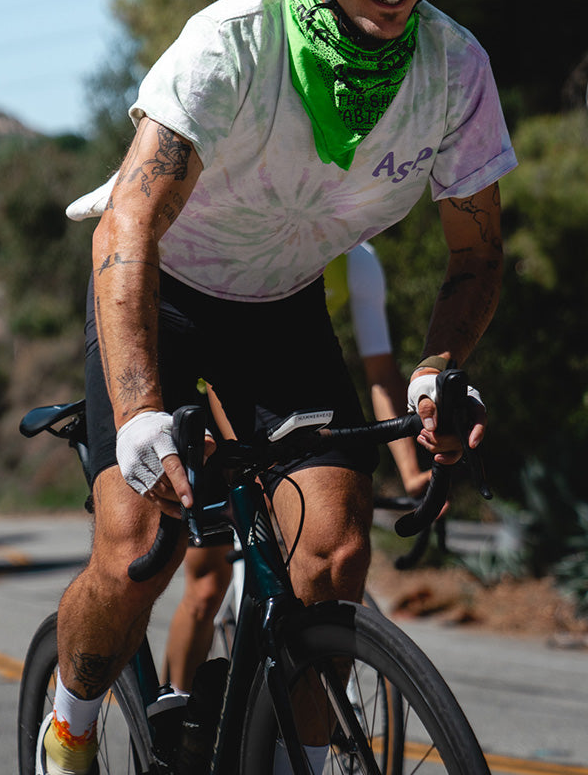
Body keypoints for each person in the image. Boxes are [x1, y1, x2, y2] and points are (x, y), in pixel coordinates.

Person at [42, 0, 515, 775]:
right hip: (160, 294)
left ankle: (307, 761)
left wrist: (436, 371)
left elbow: (476, 256)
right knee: (139, 546)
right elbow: (128, 228)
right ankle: (69, 721)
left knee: (335, 555)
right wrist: (138, 413)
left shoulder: (454, 69)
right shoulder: (230, 46)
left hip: (284, 306)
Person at [160, 242, 428, 695]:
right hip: (213, 386)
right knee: (207, 585)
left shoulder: (358, 262)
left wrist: (411, 470)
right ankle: (176, 721)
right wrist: (248, 470)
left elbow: (379, 371)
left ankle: (309, 719)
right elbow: (218, 385)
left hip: (288, 388)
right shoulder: (263, 236)